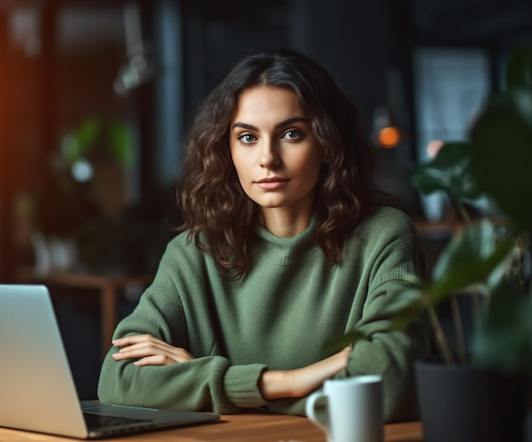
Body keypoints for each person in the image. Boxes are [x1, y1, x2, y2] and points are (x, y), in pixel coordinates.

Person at [97, 49, 430, 421]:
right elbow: (119, 379)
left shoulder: (384, 235)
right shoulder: (194, 253)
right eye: (248, 137)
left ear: (327, 144)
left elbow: (388, 384)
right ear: (227, 149)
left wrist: (210, 384)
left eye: (291, 133)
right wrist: (288, 381)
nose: (268, 158)